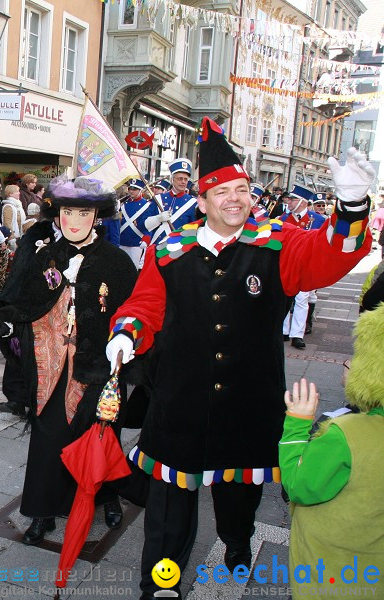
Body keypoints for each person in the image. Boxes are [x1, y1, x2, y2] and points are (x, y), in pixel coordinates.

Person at [105, 119, 374, 600]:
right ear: (202, 200)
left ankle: (236, 548)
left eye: (242, 189)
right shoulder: (168, 251)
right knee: (169, 511)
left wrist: (351, 208)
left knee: (238, 499)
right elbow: (143, 306)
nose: (234, 199)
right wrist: (127, 334)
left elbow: (333, 253)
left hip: (249, 404)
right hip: (180, 404)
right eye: (222, 191)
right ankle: (161, 584)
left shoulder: (278, 244)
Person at [0, 175, 139, 542]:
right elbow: (20, 299)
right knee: (48, 439)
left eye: (83, 212)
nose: (73, 220)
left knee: (100, 437)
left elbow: (133, 314)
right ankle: (42, 510)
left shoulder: (116, 263)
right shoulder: (46, 256)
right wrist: (6, 324)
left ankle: (107, 497)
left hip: (96, 372)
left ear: (97, 215)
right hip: (50, 369)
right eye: (67, 211)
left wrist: (124, 341)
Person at [279, 308, 384, 599]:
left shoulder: (344, 433)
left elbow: (298, 486)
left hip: (331, 575)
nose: (347, 364)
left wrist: (297, 426)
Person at [281, 184, 327, 349]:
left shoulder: (319, 220)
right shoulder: (282, 219)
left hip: (306, 266)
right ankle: (283, 331)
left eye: (293, 199)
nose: (289, 202)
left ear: (302, 201)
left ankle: (297, 335)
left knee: (302, 300)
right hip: (287, 265)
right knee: (284, 297)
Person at [146, 158, 197, 244]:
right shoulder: (158, 199)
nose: (183, 182)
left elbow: (194, 229)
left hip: (178, 248)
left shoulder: (192, 203)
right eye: (180, 179)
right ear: (172, 179)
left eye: (186, 179)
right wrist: (158, 219)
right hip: (158, 246)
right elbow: (143, 225)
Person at [119, 179, 156, 269]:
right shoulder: (124, 204)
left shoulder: (147, 205)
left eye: (134, 189)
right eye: (130, 189)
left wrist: (146, 238)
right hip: (122, 240)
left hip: (136, 241)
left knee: (133, 269)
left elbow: (149, 224)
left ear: (140, 190)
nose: (131, 191)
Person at [1, 184, 25, 253]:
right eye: (17, 191)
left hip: (19, 237)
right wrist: (11, 238)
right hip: (13, 238)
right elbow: (7, 223)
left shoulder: (18, 205)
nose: (19, 193)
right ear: (10, 194)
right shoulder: (8, 207)